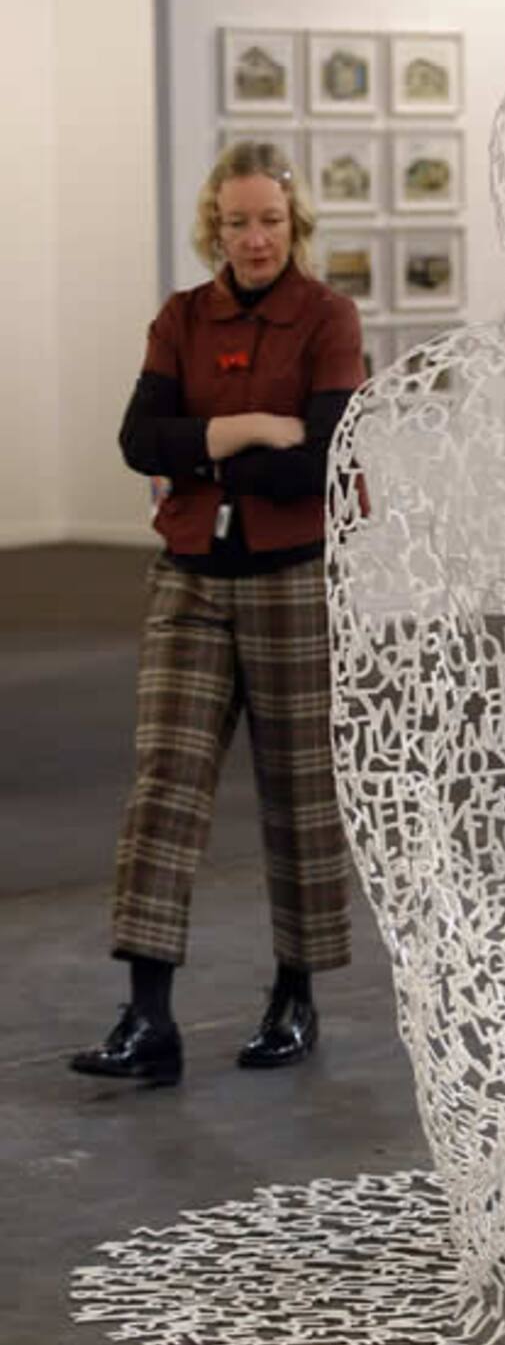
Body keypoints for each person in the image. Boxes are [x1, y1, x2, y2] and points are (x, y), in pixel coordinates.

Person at [70, 141, 364, 1087]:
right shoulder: (181, 318)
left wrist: (196, 449)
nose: (254, 238)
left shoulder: (328, 317)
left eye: (269, 220)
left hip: (290, 580)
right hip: (190, 575)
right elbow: (136, 439)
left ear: (293, 223)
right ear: (216, 227)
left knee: (298, 793)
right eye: (237, 222)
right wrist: (248, 429)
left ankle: (295, 997)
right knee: (165, 780)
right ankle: (148, 1016)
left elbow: (320, 457)